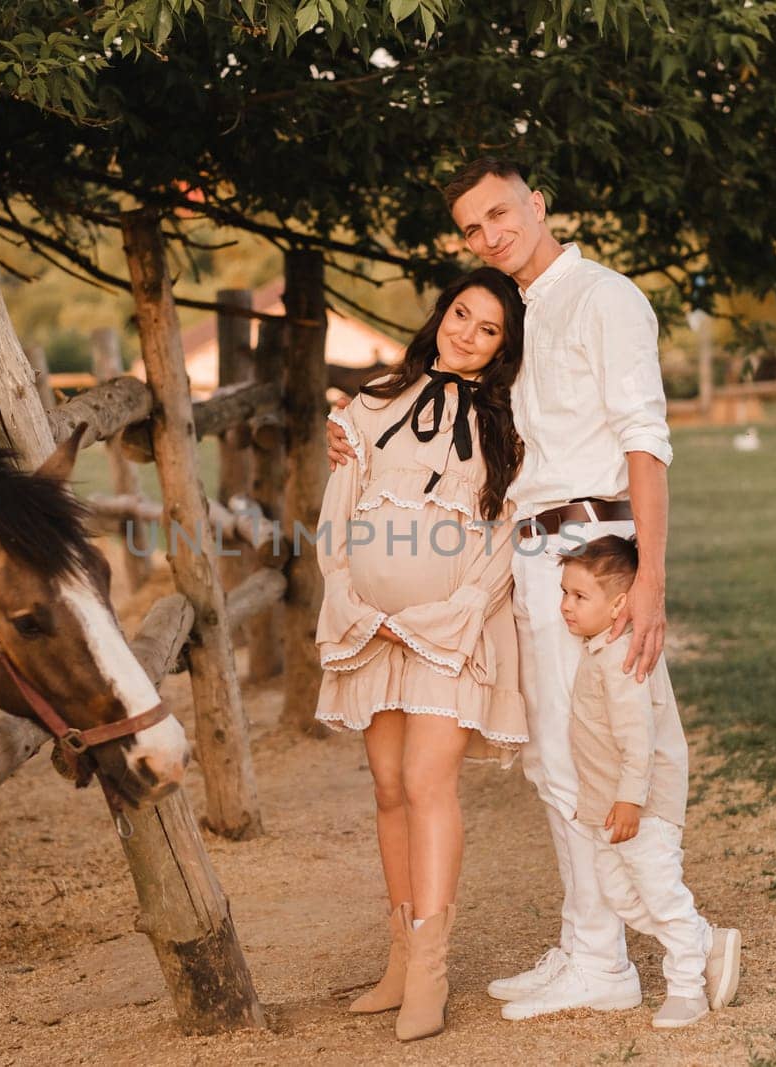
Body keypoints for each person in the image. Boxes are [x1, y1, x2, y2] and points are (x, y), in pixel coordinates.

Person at [327, 157, 711, 1018]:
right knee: (551, 757)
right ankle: (589, 946)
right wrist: (351, 438)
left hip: (588, 542)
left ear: (539, 203)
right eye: (472, 228)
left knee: (600, 750)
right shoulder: (525, 315)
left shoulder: (605, 298)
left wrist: (648, 576)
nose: (490, 234)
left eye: (501, 213)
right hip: (529, 554)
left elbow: (646, 439)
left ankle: (629, 952)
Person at [315, 267, 528, 1041]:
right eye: (460, 314)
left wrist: (461, 609)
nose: (466, 333)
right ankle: (400, 957)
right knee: (386, 787)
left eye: (488, 328)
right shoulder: (372, 403)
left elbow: (506, 531)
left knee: (425, 779)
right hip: (371, 624)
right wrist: (346, 595)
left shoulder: (511, 422)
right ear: (441, 313)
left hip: (451, 626)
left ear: (505, 347)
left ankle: (432, 976)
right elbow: (338, 511)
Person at [498, 535, 741, 1028]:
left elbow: (638, 740)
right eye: (563, 593)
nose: (565, 606)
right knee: (622, 896)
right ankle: (703, 940)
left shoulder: (625, 659)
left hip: (642, 810)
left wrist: (631, 801)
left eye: (579, 597)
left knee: (660, 894)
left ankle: (687, 987)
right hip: (608, 809)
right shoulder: (596, 649)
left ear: (619, 606)